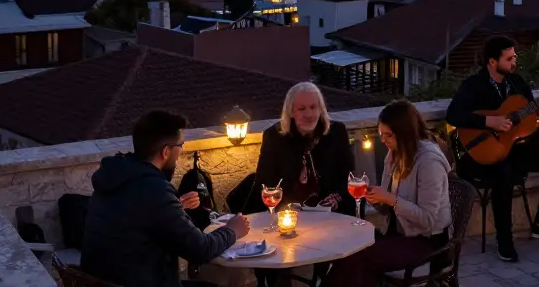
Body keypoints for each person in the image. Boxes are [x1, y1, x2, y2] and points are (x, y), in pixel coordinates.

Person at [82, 110, 251, 287]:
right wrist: (233, 229)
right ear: (166, 151)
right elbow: (201, 249)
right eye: (180, 145)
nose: (180, 152)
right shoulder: (154, 189)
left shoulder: (115, 176)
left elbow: (135, 218)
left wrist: (176, 207)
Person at [446, 36, 539, 262]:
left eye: (514, 56)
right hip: (477, 157)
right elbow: (453, 115)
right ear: (492, 62)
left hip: (511, 147)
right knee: (503, 175)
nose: (514, 61)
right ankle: (504, 241)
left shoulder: (516, 82)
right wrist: (490, 122)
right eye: (509, 58)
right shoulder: (473, 86)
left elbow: (529, 109)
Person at [325, 100, 452, 287]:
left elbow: (428, 220)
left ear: (405, 134)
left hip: (426, 242)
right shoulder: (394, 154)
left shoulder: (429, 163)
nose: (383, 140)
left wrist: (391, 199)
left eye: (388, 135)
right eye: (380, 134)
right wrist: (375, 197)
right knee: (347, 247)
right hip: (397, 234)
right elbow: (386, 209)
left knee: (359, 257)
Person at [252, 82, 356, 213]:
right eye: (302, 109)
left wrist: (336, 198)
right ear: (291, 112)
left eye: (313, 107)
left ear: (321, 109)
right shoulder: (274, 137)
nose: (309, 114)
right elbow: (264, 183)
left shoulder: (337, 132)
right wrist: (285, 207)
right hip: (287, 215)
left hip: (330, 216)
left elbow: (348, 178)